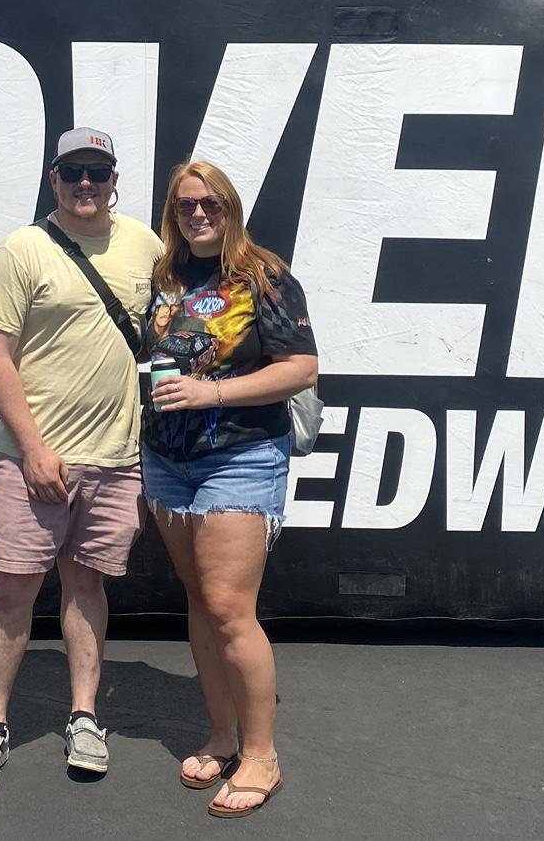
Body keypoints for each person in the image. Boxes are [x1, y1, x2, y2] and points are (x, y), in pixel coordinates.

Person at [0, 127, 163, 795]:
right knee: (14, 588)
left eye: (97, 172)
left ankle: (84, 716)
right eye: (72, 172)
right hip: (33, 462)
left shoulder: (145, 246)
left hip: (116, 461)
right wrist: (35, 450)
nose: (85, 184)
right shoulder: (21, 250)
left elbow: (174, 334)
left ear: (114, 180)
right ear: (54, 180)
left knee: (86, 586)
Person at [143, 160, 318, 818]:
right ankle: (221, 735)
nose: (198, 214)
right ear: (173, 212)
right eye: (186, 204)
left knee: (228, 606)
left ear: (231, 208)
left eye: (211, 203)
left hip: (240, 455)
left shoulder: (263, 276)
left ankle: (262, 756)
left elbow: (301, 368)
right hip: (167, 458)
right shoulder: (163, 277)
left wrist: (210, 393)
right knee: (200, 600)